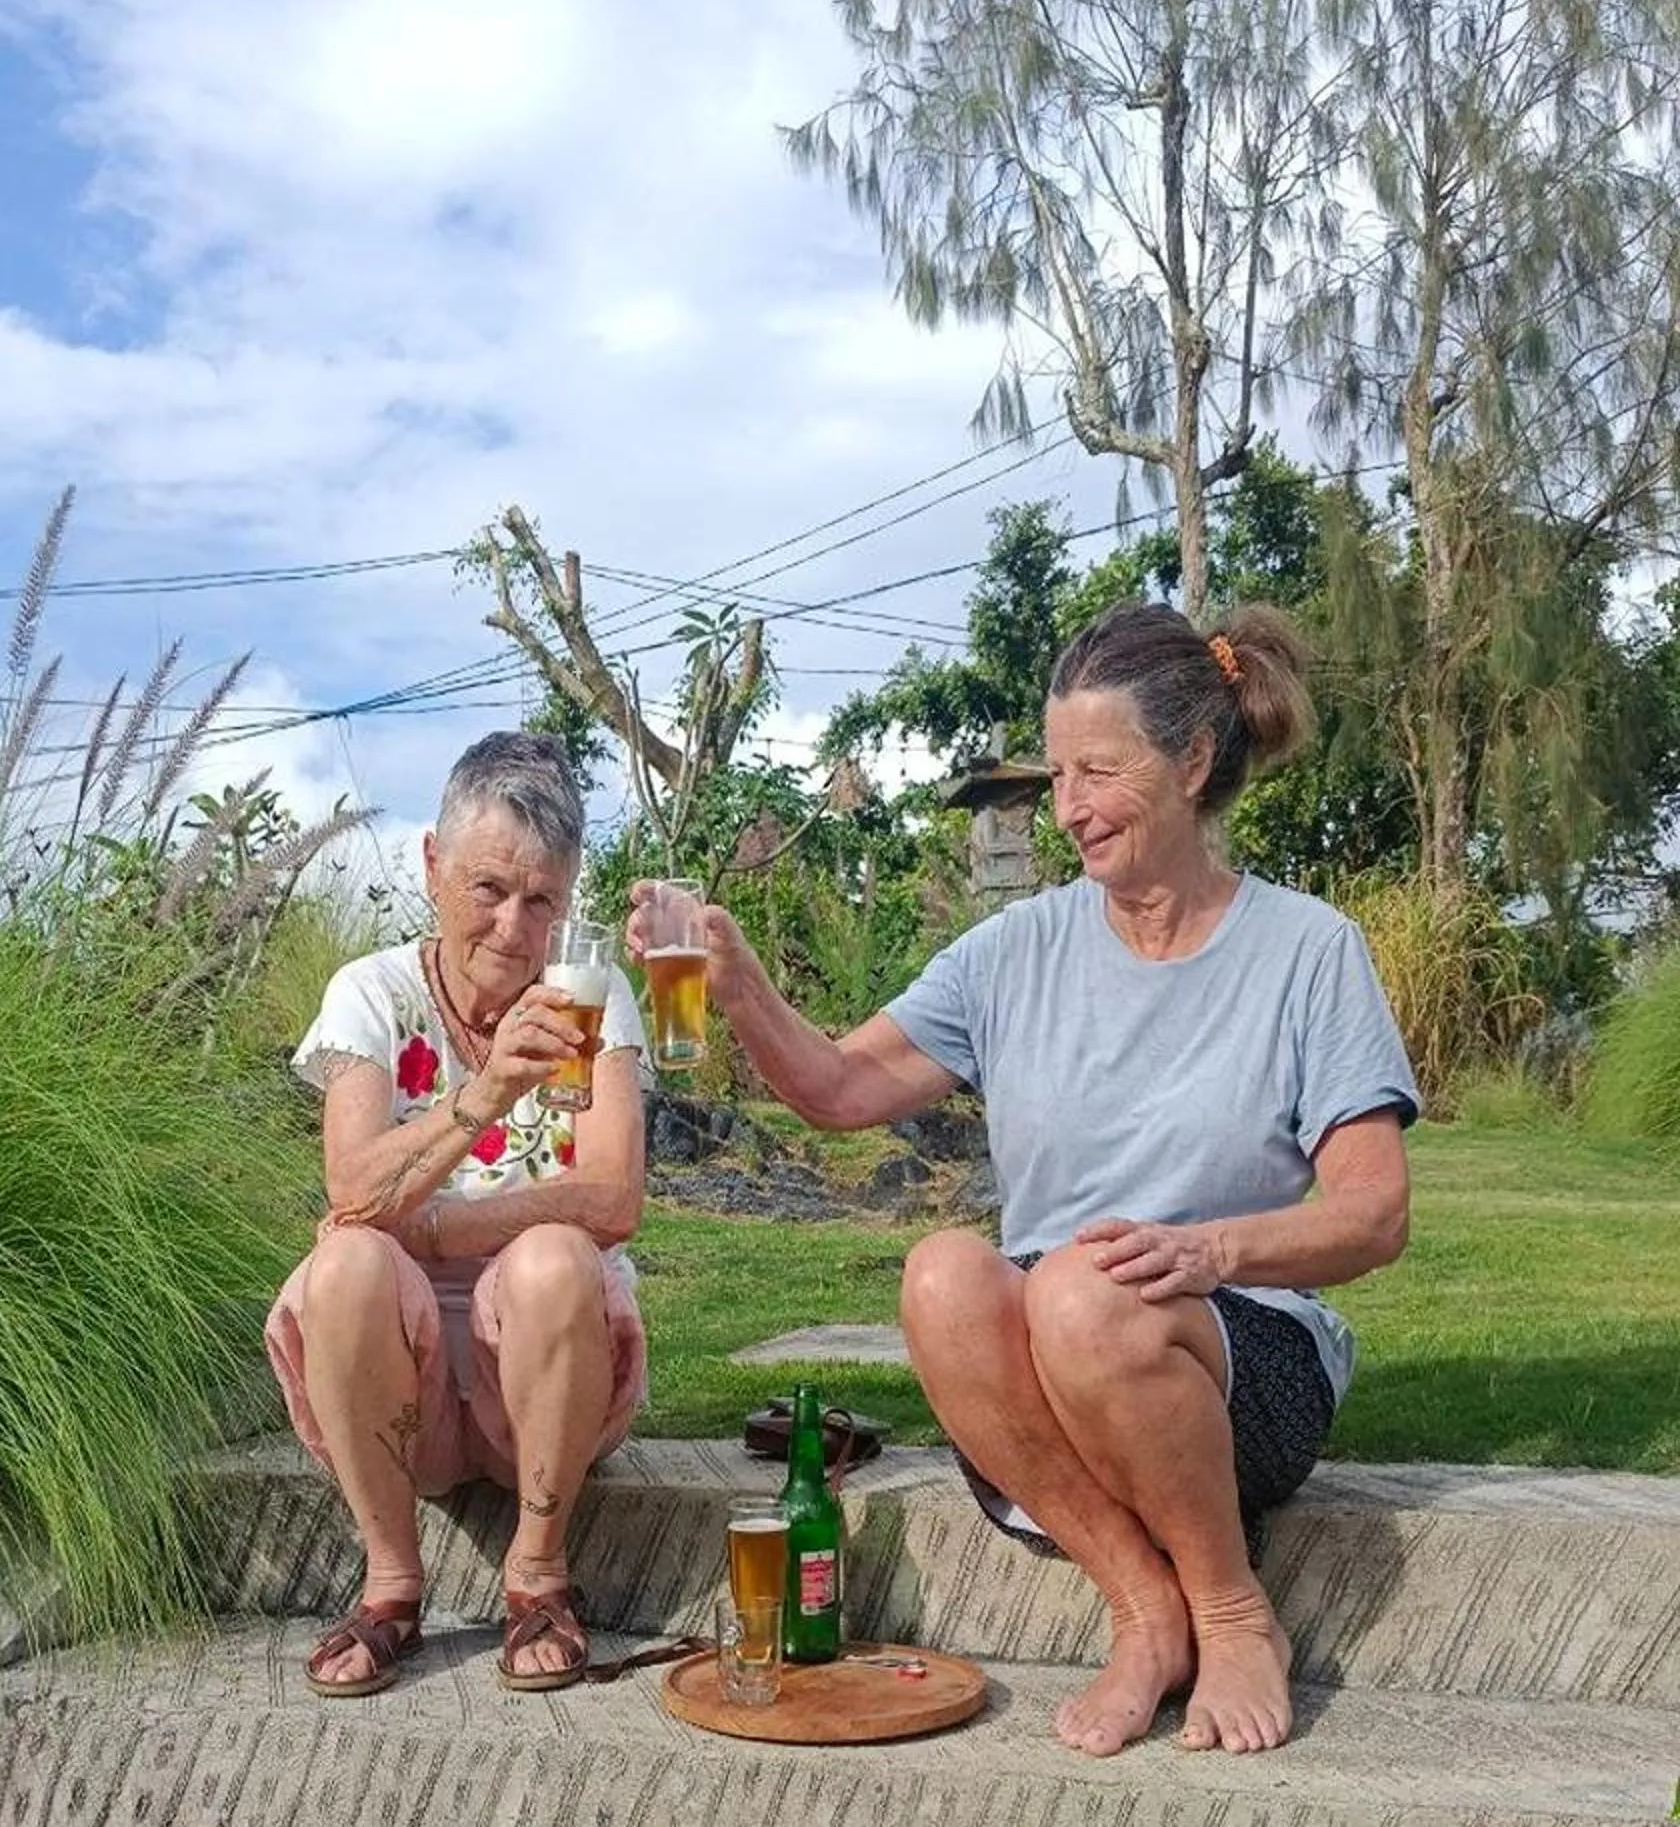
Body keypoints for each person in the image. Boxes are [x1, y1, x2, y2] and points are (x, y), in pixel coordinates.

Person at [634, 602, 1417, 1757]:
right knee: (946, 1272)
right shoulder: (1014, 951)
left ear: (1193, 761)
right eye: (1055, 773)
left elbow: (1373, 1213)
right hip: (1048, 1383)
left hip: (1237, 1358)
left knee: (1079, 1288)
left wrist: (1205, 1253)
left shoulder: (1305, 950)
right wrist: (739, 982)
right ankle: (1143, 1609)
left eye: (1098, 770)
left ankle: (1230, 1608)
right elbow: (841, 1090)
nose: (1067, 806)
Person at [267, 731, 647, 1693]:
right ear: (433, 865)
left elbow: (614, 1199)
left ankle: (539, 1573)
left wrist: (431, 1228)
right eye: (489, 889)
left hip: (550, 1377)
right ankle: (391, 1581)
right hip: (405, 1385)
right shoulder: (372, 993)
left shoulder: (587, 999)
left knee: (560, 1257)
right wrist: (480, 1098)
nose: (515, 928)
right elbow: (352, 1191)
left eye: (543, 899)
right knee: (345, 1267)